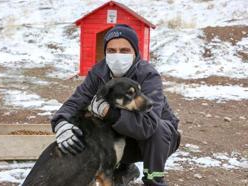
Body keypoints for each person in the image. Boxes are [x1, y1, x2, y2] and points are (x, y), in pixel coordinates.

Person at [51, 24, 180, 186]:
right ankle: (123, 168)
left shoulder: (147, 75)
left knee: (158, 128)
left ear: (135, 52)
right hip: (123, 141)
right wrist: (61, 123)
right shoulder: (99, 73)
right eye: (111, 51)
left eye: (124, 50)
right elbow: (76, 101)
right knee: (89, 125)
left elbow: (148, 126)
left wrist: (108, 112)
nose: (117, 56)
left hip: (157, 142)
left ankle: (154, 179)